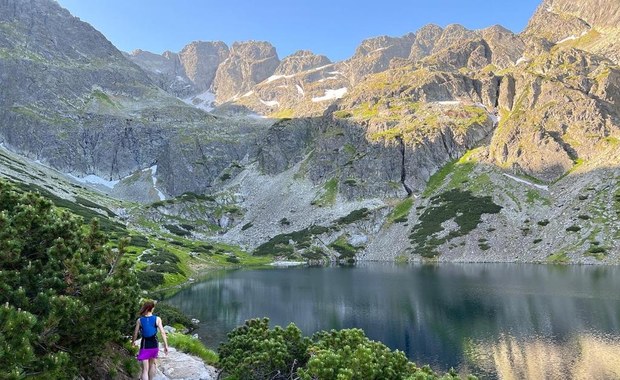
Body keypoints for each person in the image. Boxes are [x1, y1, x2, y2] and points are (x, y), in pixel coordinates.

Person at [132, 300, 169, 380]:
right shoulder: (157, 319)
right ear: (151, 308)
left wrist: (133, 342)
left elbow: (135, 333)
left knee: (145, 370)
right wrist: (166, 346)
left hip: (145, 344)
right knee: (152, 365)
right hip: (154, 344)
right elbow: (162, 332)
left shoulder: (139, 320)